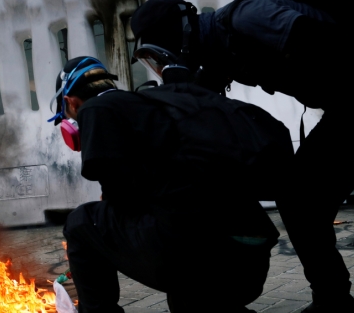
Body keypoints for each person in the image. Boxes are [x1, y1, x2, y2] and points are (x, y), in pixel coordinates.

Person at [130, 0, 354, 313]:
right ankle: (333, 300)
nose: (160, 66)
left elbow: (340, 49)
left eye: (158, 56)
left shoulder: (249, 18)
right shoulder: (220, 49)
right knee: (299, 199)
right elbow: (197, 105)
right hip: (348, 112)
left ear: (179, 39)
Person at [49, 56, 286, 313]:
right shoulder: (158, 106)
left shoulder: (96, 110)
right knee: (180, 283)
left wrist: (99, 251)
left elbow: (122, 204)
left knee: (81, 223)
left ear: (70, 102)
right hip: (249, 263)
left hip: (202, 261)